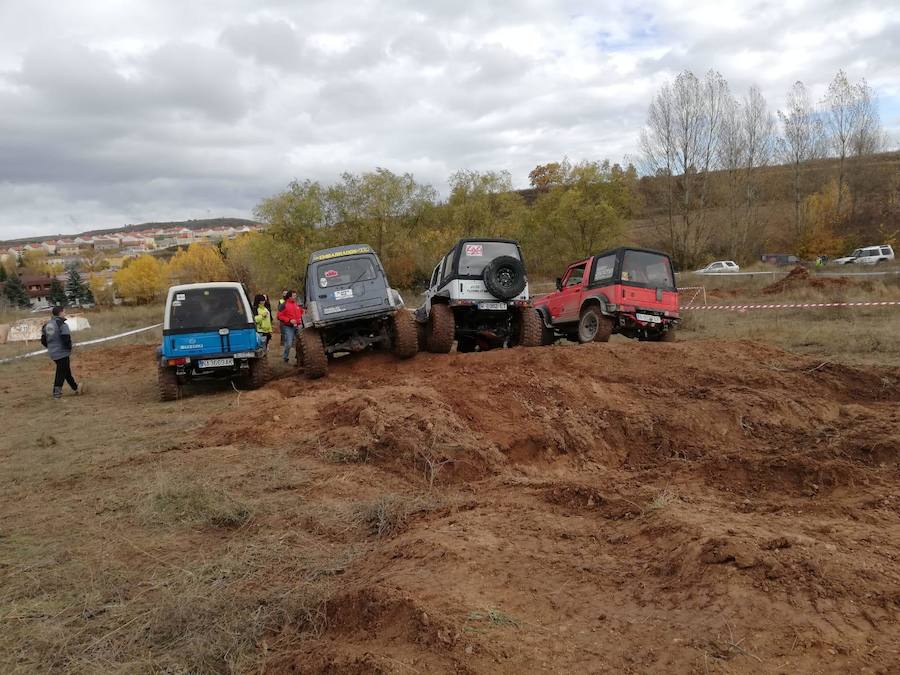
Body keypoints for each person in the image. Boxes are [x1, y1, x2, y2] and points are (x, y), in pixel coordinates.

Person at [41, 306, 83, 399]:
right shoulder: (62, 324)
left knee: (65, 371)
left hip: (53, 352)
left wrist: (51, 347)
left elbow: (43, 340)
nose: (65, 313)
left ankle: (75, 387)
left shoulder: (47, 325)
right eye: (64, 311)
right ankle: (56, 393)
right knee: (61, 372)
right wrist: (69, 348)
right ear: (60, 312)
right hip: (62, 352)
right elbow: (66, 338)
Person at [276, 290, 304, 363]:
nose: (295, 297)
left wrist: (302, 314)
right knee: (289, 343)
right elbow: (279, 316)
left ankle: (299, 357)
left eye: (295, 295)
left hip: (298, 326)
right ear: (290, 297)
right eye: (294, 296)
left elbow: (301, 312)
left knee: (301, 342)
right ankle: (285, 357)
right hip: (288, 327)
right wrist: (289, 320)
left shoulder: (297, 303)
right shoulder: (283, 305)